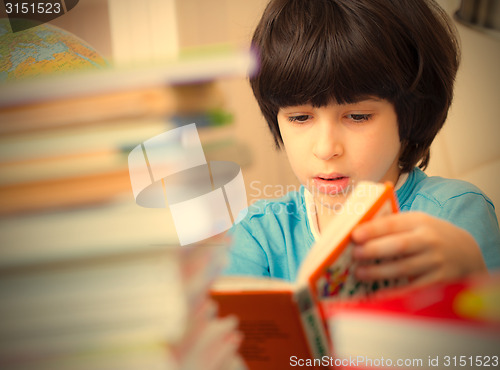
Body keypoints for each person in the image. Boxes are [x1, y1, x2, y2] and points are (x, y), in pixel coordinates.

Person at [224, 0, 500, 286]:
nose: (325, 148)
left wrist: (472, 271)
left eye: (357, 116)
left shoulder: (454, 213)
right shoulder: (259, 233)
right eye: (300, 118)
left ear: (411, 114)